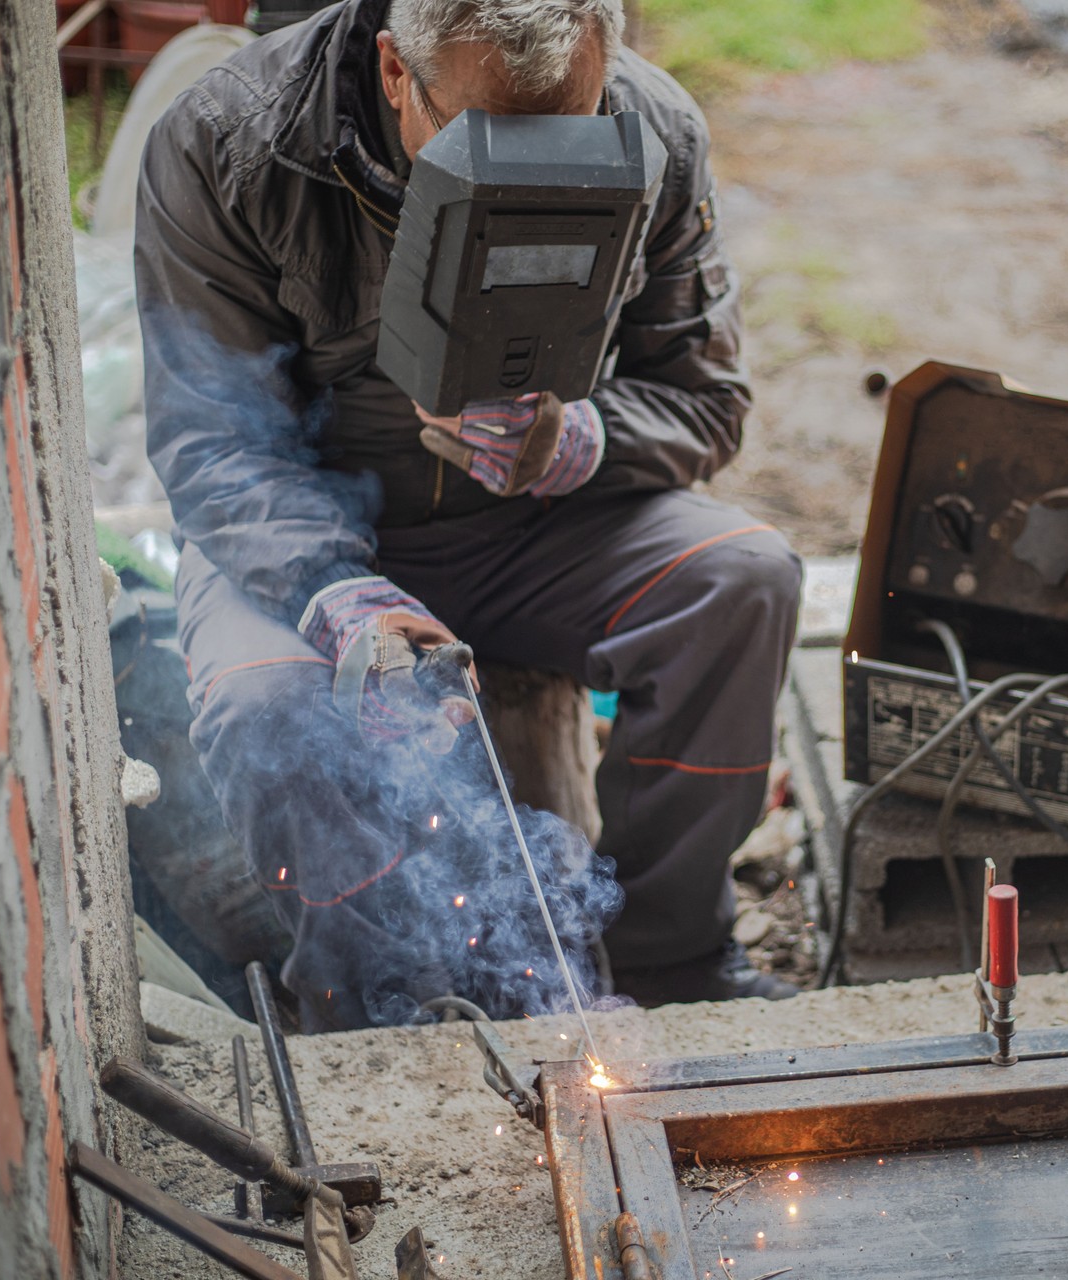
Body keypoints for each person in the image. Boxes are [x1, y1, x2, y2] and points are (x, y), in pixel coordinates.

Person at [135, 0, 802, 1030]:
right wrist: (336, 593)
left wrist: (580, 441)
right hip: (304, 547)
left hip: (538, 527)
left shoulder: (652, 130)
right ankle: (369, 1009)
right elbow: (213, 447)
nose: (529, 176)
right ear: (398, 74)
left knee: (742, 580)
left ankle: (673, 962)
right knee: (270, 708)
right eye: (487, 140)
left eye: (562, 136)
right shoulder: (232, 143)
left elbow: (708, 401)